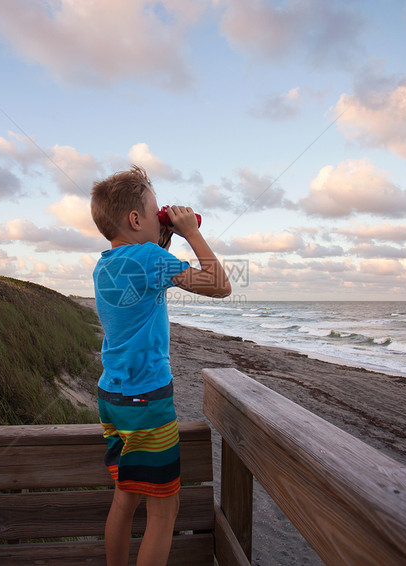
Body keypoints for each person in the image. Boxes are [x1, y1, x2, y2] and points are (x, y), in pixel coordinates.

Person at [90, 165, 231, 566]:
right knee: (164, 509)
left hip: (112, 399)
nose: (161, 216)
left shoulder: (105, 265)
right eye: (156, 212)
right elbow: (220, 285)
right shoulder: (151, 259)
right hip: (147, 401)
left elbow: (147, 268)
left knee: (126, 497)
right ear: (136, 220)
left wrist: (161, 231)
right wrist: (191, 232)